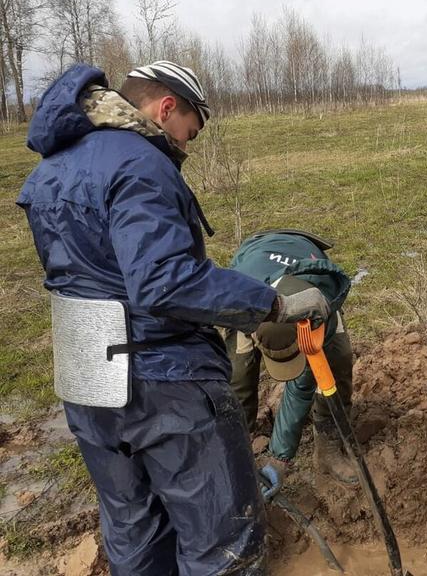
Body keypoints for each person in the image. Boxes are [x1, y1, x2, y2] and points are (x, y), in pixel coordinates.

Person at [16, 61, 330, 575]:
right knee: (221, 540)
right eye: (191, 130)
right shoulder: (141, 164)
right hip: (160, 378)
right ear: (166, 108)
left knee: (133, 528)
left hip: (85, 370)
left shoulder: (52, 167)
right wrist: (270, 304)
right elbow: (164, 281)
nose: (187, 144)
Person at [222, 229, 359, 486]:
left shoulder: (318, 312)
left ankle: (327, 447)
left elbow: (303, 386)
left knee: (337, 361)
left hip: (308, 284)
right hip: (255, 268)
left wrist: (278, 459)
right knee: (238, 374)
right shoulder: (240, 302)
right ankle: (237, 452)